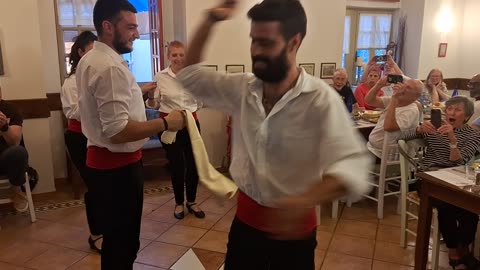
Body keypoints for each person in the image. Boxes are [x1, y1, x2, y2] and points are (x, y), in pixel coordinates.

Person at [176, 1, 371, 269]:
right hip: (244, 229)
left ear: (294, 42)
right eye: (253, 41)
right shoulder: (242, 89)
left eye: (266, 43)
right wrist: (210, 19)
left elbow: (354, 165)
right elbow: (189, 76)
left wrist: (304, 200)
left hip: (294, 240)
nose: (256, 51)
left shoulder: (319, 99)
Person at [76, 0, 185, 268]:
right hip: (118, 171)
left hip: (104, 167)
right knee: (123, 245)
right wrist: (166, 123)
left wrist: (139, 93)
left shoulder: (92, 59)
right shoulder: (110, 67)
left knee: (116, 242)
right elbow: (117, 131)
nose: (137, 33)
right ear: (107, 26)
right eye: (131, 27)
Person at [402, 96, 480, 269]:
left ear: (466, 116)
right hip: (429, 179)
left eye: (457, 110)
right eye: (449, 109)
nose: (451, 112)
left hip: (456, 177)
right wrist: (419, 129)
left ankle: (463, 248)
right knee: (448, 205)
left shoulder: (473, 135)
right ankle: (455, 251)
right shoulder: (433, 128)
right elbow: (400, 137)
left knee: (470, 208)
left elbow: (460, 160)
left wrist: (452, 139)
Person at [146, 40, 205, 219]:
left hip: (191, 125)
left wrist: (188, 113)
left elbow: (200, 102)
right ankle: (179, 203)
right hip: (169, 128)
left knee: (194, 166)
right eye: (174, 55)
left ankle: (192, 201)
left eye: (181, 54)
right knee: (177, 165)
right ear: (168, 56)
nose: (178, 58)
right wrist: (149, 97)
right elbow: (154, 105)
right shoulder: (160, 76)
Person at [60, 30, 104, 253]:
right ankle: (96, 234)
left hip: (96, 136)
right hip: (78, 138)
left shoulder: (96, 77)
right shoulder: (71, 83)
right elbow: (72, 112)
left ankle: (105, 228)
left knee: (104, 185)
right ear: (80, 52)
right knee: (95, 185)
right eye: (91, 50)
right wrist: (94, 101)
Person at [364, 76, 423, 158]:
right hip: (372, 149)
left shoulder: (411, 110)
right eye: (404, 85)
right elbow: (369, 101)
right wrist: (378, 85)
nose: (402, 88)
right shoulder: (397, 101)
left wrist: (394, 97)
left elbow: (388, 127)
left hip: (384, 156)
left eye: (408, 88)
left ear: (416, 96)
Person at [0, 85, 29, 212]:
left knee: (19, 152)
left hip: (5, 158)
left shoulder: (10, 109)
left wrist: (4, 127)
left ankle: (16, 190)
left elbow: (15, 141)